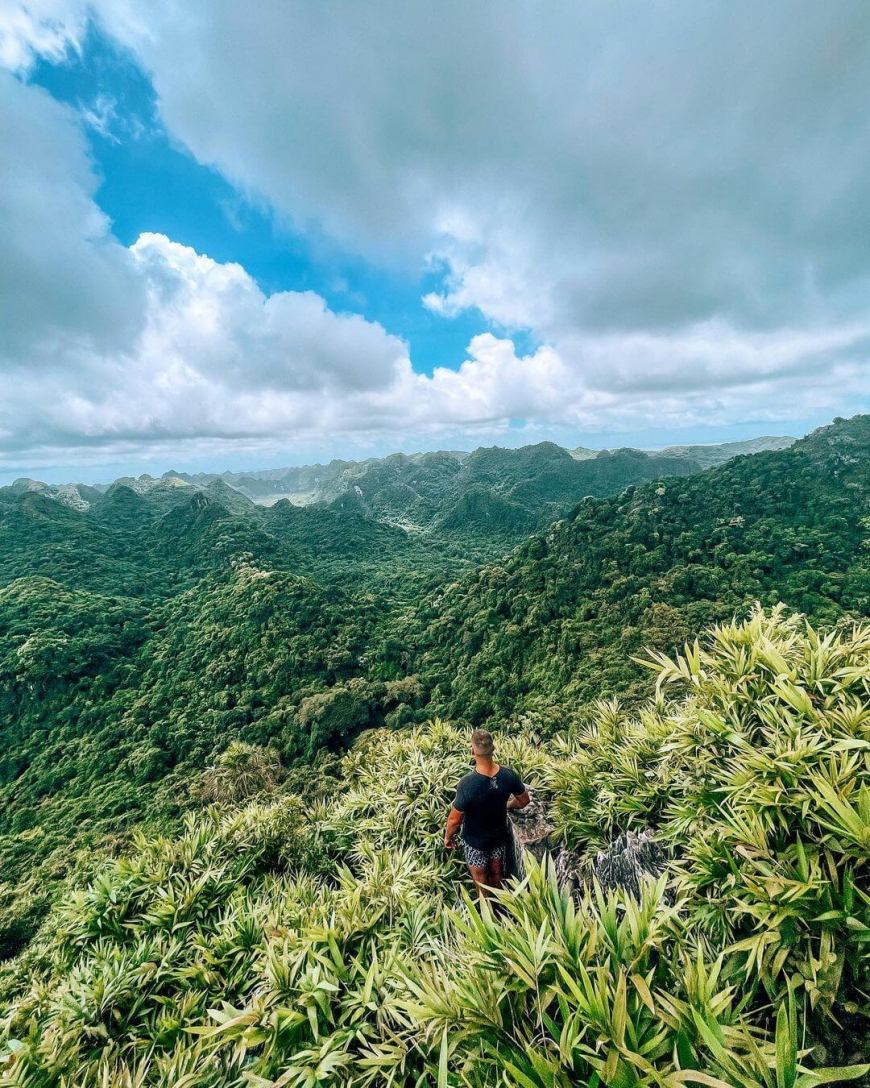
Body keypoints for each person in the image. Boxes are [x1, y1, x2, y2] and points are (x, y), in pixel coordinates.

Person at [444, 729, 530, 897]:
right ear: (493, 749)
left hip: (475, 841)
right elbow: (524, 800)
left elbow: (455, 820)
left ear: (472, 751)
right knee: (496, 871)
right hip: (498, 836)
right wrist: (507, 805)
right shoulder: (508, 776)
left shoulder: (467, 784)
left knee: (480, 879)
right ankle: (498, 905)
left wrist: (448, 837)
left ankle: (487, 913)